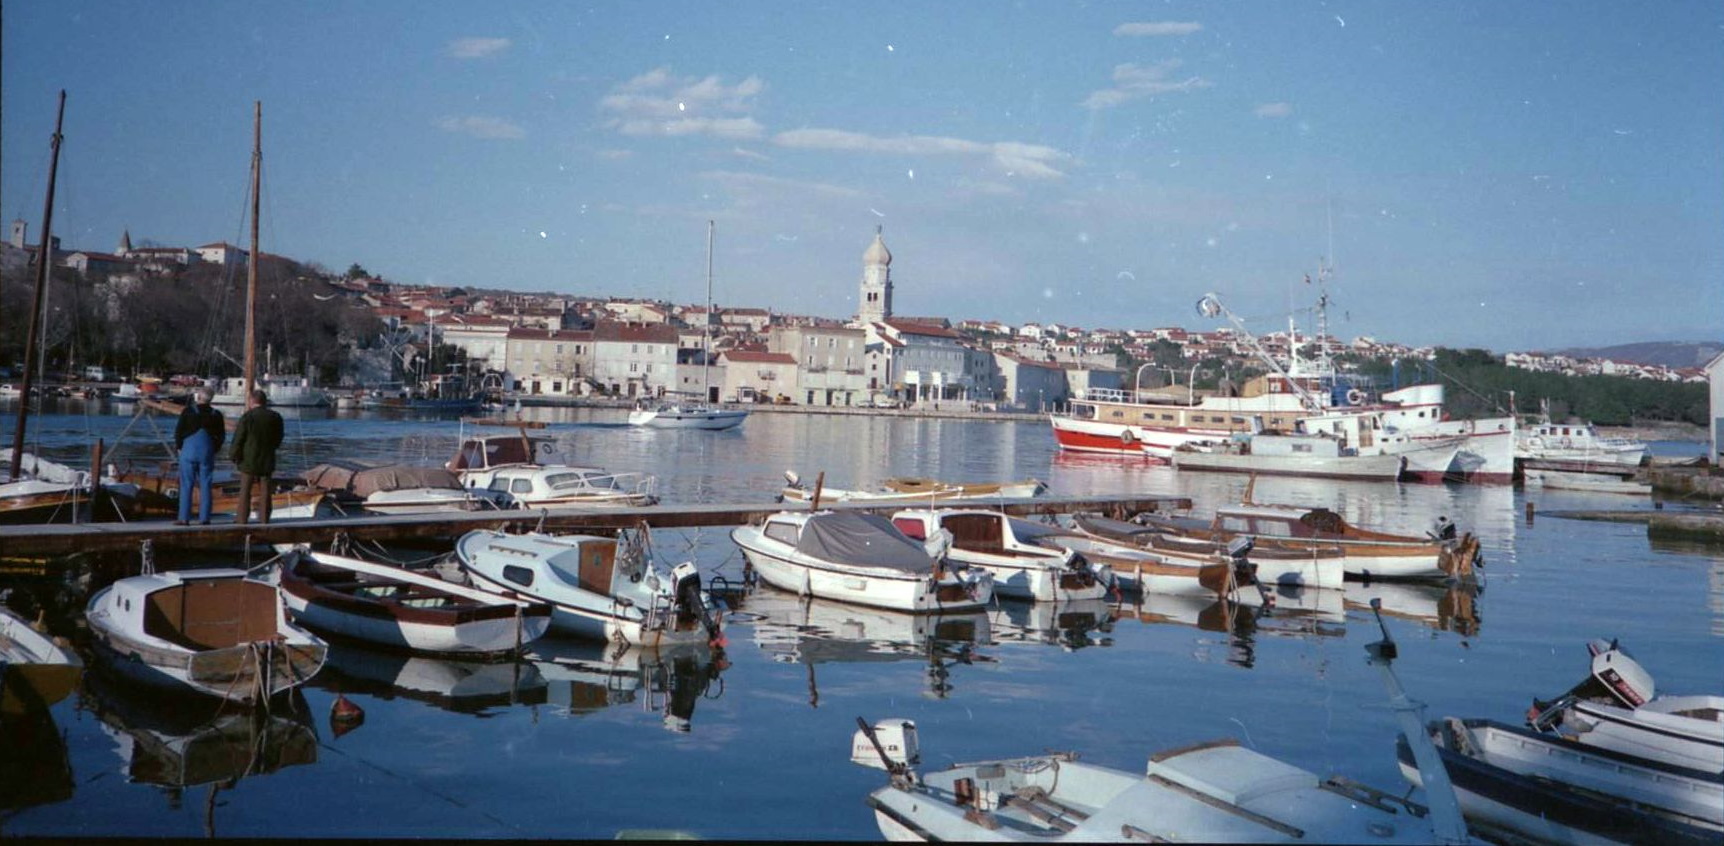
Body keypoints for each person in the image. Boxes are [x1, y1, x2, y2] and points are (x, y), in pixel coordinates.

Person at [231, 388, 284, 525]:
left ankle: (242, 520)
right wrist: (272, 448)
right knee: (266, 492)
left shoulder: (247, 417)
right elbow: (279, 438)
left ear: (251, 401)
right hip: (267, 458)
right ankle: (264, 519)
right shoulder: (275, 417)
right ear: (264, 402)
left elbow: (239, 439)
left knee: (245, 492)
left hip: (248, 460)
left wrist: (233, 455)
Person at [172, 389, 225, 525]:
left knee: (186, 484)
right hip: (206, 452)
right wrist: (214, 449)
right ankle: (205, 518)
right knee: (206, 484)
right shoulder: (216, 414)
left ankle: (184, 518)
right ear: (211, 399)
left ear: (199, 397)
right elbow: (221, 436)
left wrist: (179, 447)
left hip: (188, 451)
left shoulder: (188, 411)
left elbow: (178, 431)